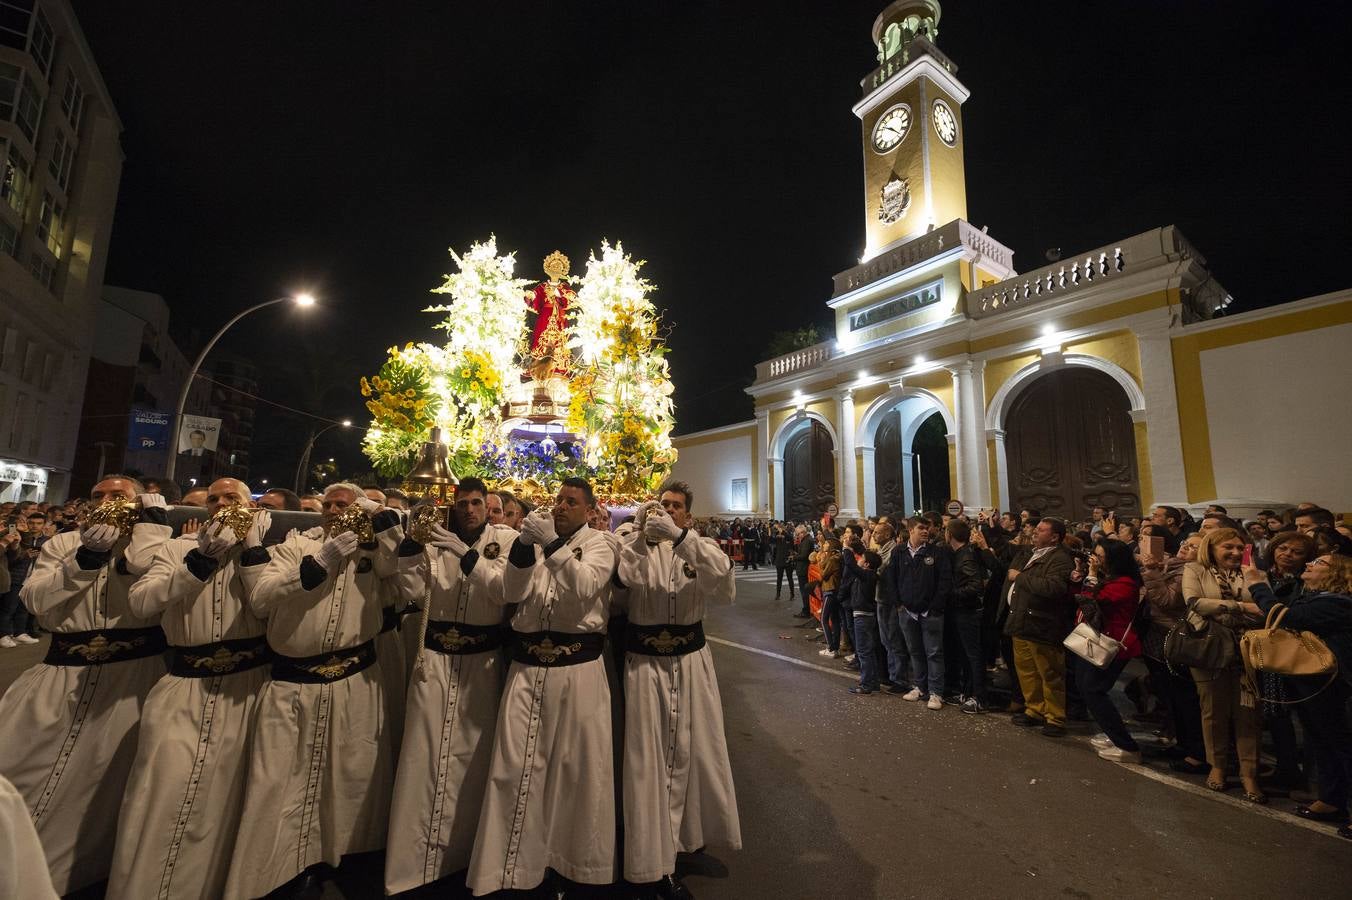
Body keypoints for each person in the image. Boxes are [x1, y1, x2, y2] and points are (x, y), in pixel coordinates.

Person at [223, 483, 404, 899]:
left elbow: (405, 579)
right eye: (330, 504)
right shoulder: (294, 546)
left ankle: (345, 862)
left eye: (345, 504)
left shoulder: (372, 551)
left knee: (352, 779)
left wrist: (382, 531)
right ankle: (279, 869)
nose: (335, 510)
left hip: (355, 680)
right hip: (294, 683)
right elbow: (263, 599)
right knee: (279, 783)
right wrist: (318, 562)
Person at [0, 477, 172, 895]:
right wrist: (86, 557)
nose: (107, 502)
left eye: (119, 496)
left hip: (133, 677)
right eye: (98, 496)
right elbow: (35, 601)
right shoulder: (64, 543)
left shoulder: (158, 545)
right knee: (20, 766)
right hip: (62, 675)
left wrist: (150, 536)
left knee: (110, 783)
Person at [108, 479, 273, 900]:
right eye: (214, 499)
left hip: (248, 688)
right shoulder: (178, 550)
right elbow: (142, 603)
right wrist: (199, 560)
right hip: (184, 687)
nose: (220, 504)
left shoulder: (270, 553)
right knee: (162, 790)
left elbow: (275, 609)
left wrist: (255, 554)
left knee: (232, 796)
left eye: (231, 498)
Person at [466, 477, 620, 896]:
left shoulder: (603, 545)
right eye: (558, 500)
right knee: (515, 769)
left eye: (571, 502)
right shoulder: (534, 543)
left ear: (590, 510)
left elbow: (585, 586)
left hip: (577, 671)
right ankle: (512, 867)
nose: (561, 507)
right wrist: (522, 548)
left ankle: (568, 865)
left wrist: (551, 544)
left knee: (576, 772)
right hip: (527, 668)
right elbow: (509, 592)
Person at [384, 478, 517, 894]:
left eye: (478, 503)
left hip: (483, 662)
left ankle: (469, 856)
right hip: (438, 658)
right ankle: (414, 862)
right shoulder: (433, 541)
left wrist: (464, 553)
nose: (470, 510)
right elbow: (413, 592)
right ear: (454, 507)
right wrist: (409, 552)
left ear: (487, 505)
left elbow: (502, 592)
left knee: (475, 759)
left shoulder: (508, 540)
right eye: (463, 504)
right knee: (422, 754)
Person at [615, 481, 741, 898]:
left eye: (675, 507)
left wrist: (682, 539)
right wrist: (639, 532)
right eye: (661, 505)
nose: (666, 512)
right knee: (647, 759)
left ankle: (682, 840)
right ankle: (650, 856)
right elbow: (628, 576)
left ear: (687, 514)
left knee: (690, 752)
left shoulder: (698, 545)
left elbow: (722, 583)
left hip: (689, 664)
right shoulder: (633, 543)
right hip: (647, 666)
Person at [1244, 554, 1352, 839]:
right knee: (1321, 740)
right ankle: (1331, 800)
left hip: (1334, 683)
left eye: (1319, 563)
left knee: (1342, 744)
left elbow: (1285, 616)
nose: (1309, 564)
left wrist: (1257, 585)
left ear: (1338, 574)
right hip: (1312, 681)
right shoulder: (1314, 597)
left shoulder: (1339, 603)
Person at [1183, 527, 1265, 802]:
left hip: (1248, 652)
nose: (1234, 552)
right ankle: (1217, 766)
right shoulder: (1195, 570)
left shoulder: (1254, 573)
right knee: (1213, 713)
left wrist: (1221, 607)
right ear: (1211, 548)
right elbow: (1195, 603)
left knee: (1248, 714)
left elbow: (1264, 610)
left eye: (1239, 547)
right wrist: (1241, 607)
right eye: (1227, 547)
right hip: (1210, 651)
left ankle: (1249, 774)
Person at [1140, 533, 1208, 774]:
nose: (1185, 548)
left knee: (1185, 698)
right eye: (1185, 543)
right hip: (1158, 636)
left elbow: (1168, 600)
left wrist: (1151, 572)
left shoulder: (1192, 572)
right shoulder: (1172, 566)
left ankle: (1197, 752)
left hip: (1176, 637)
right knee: (1171, 697)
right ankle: (1182, 743)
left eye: (1193, 547)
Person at [1004, 518, 1076, 736]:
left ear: (1054, 537)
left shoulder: (1060, 558)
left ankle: (1055, 717)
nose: (1035, 532)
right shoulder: (1032, 553)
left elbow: (1053, 588)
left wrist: (1021, 577)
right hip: (1021, 620)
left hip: (1042, 623)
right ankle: (1034, 709)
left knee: (1049, 672)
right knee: (1027, 671)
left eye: (1041, 530)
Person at [1078, 539, 1145, 762]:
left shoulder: (1126, 583)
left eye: (1100, 556)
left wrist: (1091, 575)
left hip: (1114, 644)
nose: (1095, 559)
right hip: (1101, 639)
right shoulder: (1113, 579)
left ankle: (1127, 746)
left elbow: (1092, 601)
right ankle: (1112, 733)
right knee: (1091, 688)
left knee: (1094, 691)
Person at [890, 517, 951, 710]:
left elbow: (944, 581)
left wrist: (935, 606)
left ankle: (936, 692)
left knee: (933, 652)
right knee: (915, 651)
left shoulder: (936, 552)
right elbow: (891, 579)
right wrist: (899, 603)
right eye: (921, 528)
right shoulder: (899, 552)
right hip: (907, 612)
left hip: (930, 613)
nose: (925, 531)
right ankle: (920, 686)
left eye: (927, 528)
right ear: (910, 530)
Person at [946, 520, 992, 713]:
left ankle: (979, 697)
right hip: (962, 610)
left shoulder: (966, 556)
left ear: (950, 535)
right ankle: (967, 691)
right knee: (965, 655)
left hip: (968, 611)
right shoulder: (961, 554)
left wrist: (951, 593)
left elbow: (975, 586)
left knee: (973, 655)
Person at [847, 550, 883, 694]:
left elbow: (850, 564)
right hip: (864, 615)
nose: (859, 559)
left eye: (862, 557)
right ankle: (873, 682)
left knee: (863, 651)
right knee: (868, 650)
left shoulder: (868, 575)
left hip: (863, 616)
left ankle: (866, 684)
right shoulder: (868, 575)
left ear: (867, 564)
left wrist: (846, 548)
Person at [816, 539, 845, 658]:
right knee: (835, 619)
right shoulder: (835, 558)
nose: (824, 545)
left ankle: (831, 647)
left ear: (832, 546)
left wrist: (820, 562)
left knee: (824, 619)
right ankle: (835, 648)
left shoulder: (833, 559)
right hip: (834, 590)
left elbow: (824, 575)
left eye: (827, 543)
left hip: (830, 590)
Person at [791, 525, 814, 618]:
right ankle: (806, 609)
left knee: (804, 591)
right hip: (803, 568)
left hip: (803, 569)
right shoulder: (807, 539)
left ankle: (806, 610)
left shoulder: (807, 540)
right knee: (804, 590)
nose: (797, 536)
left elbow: (804, 555)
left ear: (802, 533)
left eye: (798, 534)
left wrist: (794, 557)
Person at [771, 524, 795, 601]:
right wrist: (774, 533)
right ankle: (778, 594)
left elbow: (790, 538)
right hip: (779, 560)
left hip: (787, 560)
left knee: (789, 578)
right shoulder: (777, 537)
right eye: (779, 529)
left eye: (781, 529)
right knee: (779, 578)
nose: (780, 530)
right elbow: (771, 540)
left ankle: (792, 594)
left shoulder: (789, 536)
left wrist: (783, 533)